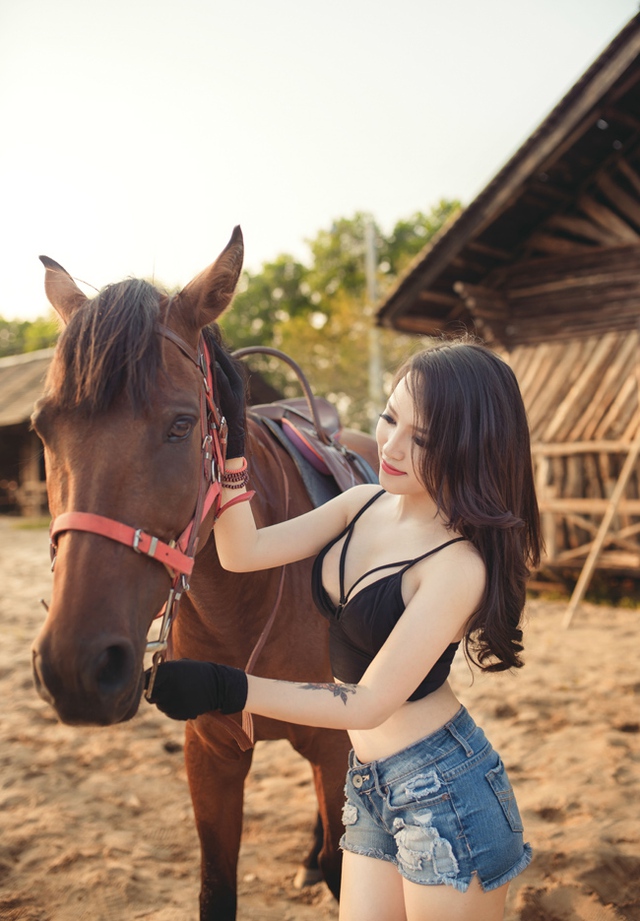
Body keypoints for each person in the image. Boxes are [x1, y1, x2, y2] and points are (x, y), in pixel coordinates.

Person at [145, 336, 541, 921]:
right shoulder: (361, 503)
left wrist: (226, 688)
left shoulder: (458, 566)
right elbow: (243, 551)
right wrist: (230, 450)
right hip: (367, 783)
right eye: (389, 418)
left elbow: (367, 703)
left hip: (446, 792)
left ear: (470, 448)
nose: (392, 446)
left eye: (423, 439)